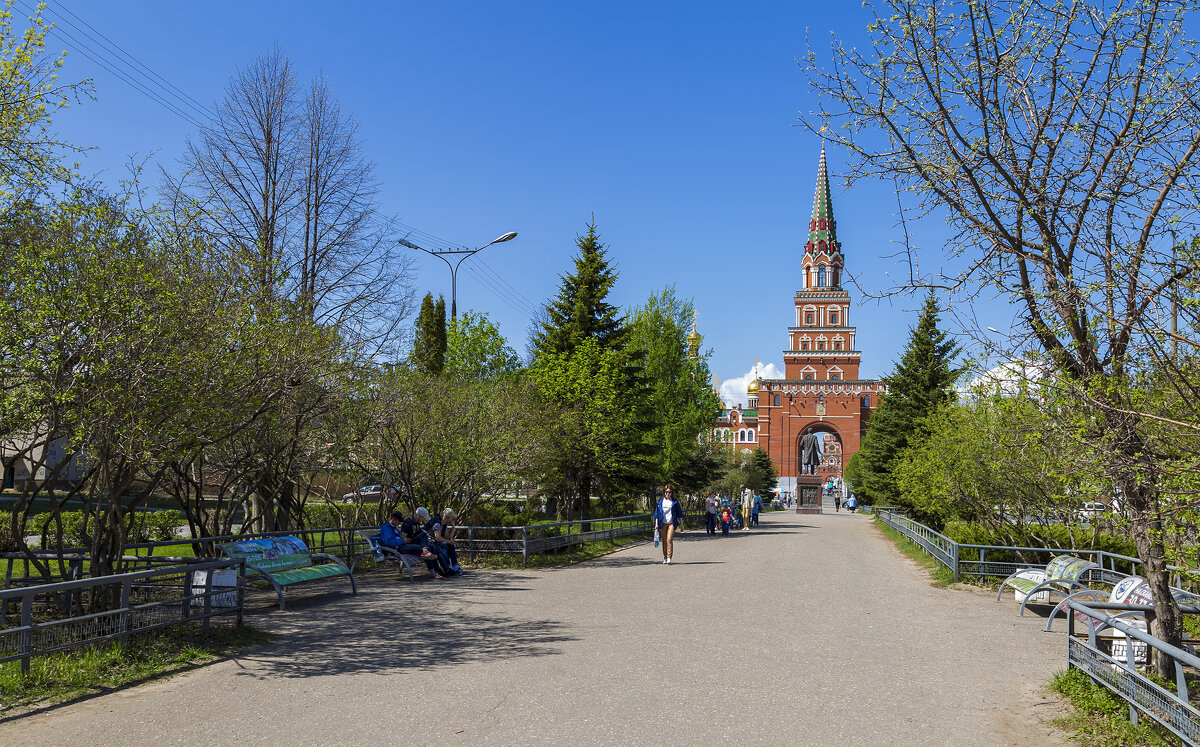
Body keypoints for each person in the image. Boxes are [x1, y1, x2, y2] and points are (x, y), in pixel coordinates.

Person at [402, 507, 451, 579]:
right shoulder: (408, 523)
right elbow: (403, 538)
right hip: (407, 545)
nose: (423, 520)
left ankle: (435, 571)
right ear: (418, 516)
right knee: (424, 535)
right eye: (423, 518)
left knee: (431, 547)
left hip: (415, 543)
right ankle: (425, 551)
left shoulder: (416, 523)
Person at [652, 483, 684, 564]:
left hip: (671, 523)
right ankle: (665, 557)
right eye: (666, 492)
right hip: (662, 523)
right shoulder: (660, 501)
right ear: (664, 492)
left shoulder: (675, 502)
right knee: (664, 540)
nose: (668, 494)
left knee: (669, 539)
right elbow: (656, 514)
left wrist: (681, 525)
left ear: (672, 493)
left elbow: (679, 513)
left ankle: (669, 557)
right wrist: (656, 524)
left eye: (669, 492)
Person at [433, 508, 466, 574]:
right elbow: (437, 538)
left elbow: (448, 537)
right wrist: (449, 541)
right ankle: (448, 566)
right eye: (452, 517)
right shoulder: (437, 524)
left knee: (450, 545)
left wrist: (453, 528)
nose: (452, 519)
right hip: (432, 543)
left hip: (438, 543)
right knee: (444, 544)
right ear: (448, 517)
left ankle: (455, 566)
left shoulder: (444, 525)